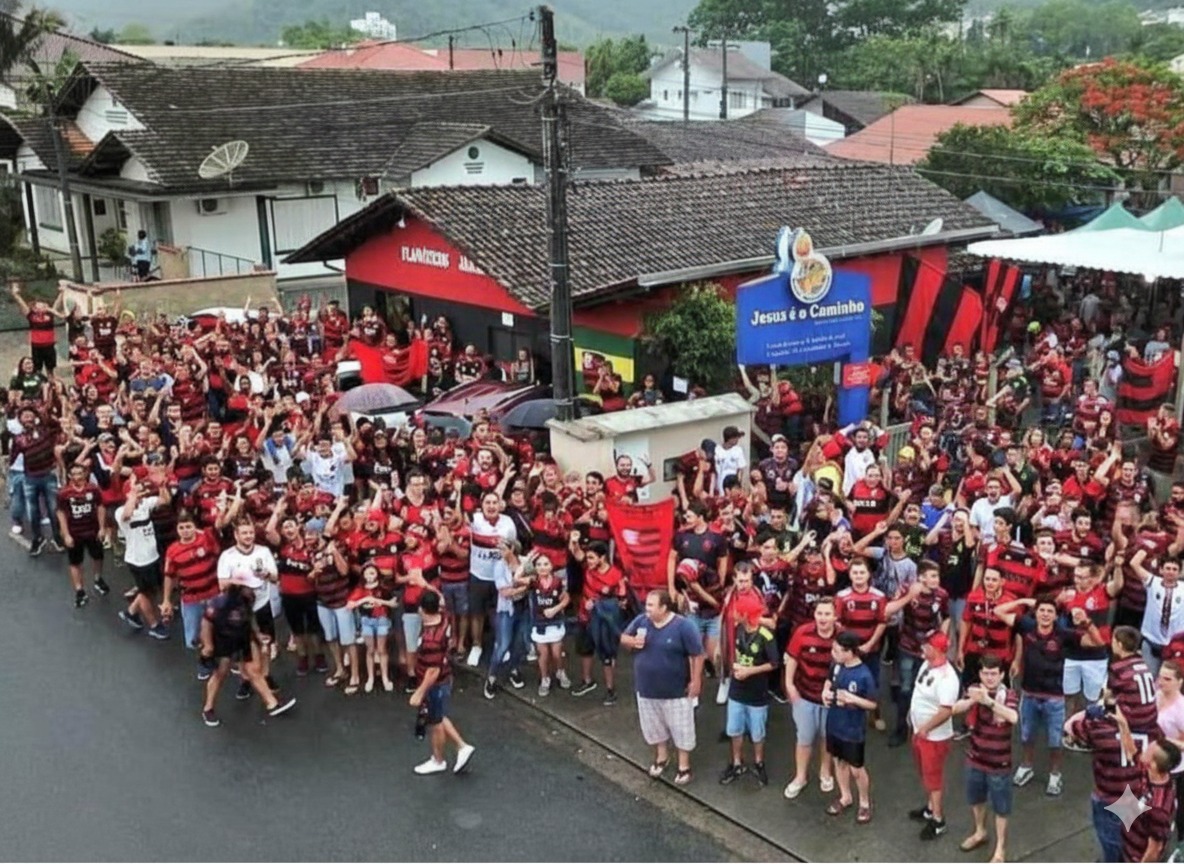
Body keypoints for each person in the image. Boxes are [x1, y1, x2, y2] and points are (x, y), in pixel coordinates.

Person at [621, 589, 705, 786]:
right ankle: (661, 757)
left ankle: (684, 766)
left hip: (676, 691)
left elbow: (697, 655)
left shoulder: (683, 626)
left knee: (681, 728)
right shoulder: (642, 621)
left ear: (664, 607)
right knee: (654, 727)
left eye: (651, 605)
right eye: (647, 604)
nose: (646, 608)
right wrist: (632, 641)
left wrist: (696, 680)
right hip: (647, 688)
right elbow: (624, 637)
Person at [197, 569, 296, 727]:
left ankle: (272, 703)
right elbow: (206, 624)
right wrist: (208, 646)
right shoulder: (219, 603)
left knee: (253, 671)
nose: (253, 589)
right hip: (223, 641)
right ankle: (208, 708)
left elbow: (249, 617)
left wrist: (257, 635)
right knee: (220, 674)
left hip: (242, 638)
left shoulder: (248, 599)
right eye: (249, 586)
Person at [952, 655, 1019, 862]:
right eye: (985, 673)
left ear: (1001, 675)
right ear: (980, 674)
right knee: (976, 799)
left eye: (994, 674)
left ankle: (1000, 849)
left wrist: (989, 701)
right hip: (975, 758)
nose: (989, 678)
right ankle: (980, 831)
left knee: (1001, 807)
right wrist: (974, 698)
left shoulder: (1009, 694)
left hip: (999, 763)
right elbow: (954, 709)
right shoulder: (973, 690)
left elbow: (1013, 717)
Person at [410, 591, 476, 775]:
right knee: (437, 715)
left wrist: (419, 692)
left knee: (436, 722)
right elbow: (440, 598)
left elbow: (433, 671)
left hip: (436, 684)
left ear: (422, 609)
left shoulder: (432, 639)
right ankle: (462, 747)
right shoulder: (445, 617)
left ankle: (438, 760)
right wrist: (423, 584)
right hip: (445, 677)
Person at [720, 591, 779, 787]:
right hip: (737, 691)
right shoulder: (737, 630)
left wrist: (750, 671)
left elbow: (774, 663)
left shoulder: (765, 635)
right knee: (734, 729)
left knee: (757, 731)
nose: (734, 614)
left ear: (746, 613)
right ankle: (736, 762)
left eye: (737, 611)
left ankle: (759, 762)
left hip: (757, 693)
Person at [784, 596, 838, 799]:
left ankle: (825, 771)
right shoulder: (802, 632)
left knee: (827, 738)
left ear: (835, 616)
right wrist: (789, 685)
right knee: (804, 739)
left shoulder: (841, 636)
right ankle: (800, 776)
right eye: (819, 613)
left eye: (827, 614)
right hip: (805, 695)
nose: (823, 618)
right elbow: (792, 658)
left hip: (829, 700)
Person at [908, 632, 960, 841]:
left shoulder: (948, 678)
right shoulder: (926, 665)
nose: (922, 648)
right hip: (920, 732)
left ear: (936, 649)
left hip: (934, 737)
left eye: (926, 645)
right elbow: (919, 692)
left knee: (933, 779)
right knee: (924, 774)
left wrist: (926, 728)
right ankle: (930, 809)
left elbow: (946, 710)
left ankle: (938, 820)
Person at [822, 630, 877, 824]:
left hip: (853, 729)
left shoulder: (864, 675)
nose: (833, 653)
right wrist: (825, 692)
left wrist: (852, 698)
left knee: (857, 769)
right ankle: (845, 796)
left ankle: (864, 802)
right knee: (839, 762)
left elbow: (872, 704)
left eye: (837, 650)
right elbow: (829, 681)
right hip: (834, 723)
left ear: (850, 652)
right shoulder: (836, 666)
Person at [115, 474, 171, 640]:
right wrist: (132, 495)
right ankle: (154, 625)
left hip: (152, 556)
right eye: (137, 493)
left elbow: (164, 501)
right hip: (138, 560)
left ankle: (131, 612)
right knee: (146, 593)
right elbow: (127, 514)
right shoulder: (121, 512)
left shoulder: (146, 504)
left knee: (150, 590)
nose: (142, 496)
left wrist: (162, 486)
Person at [56, 462, 110, 607]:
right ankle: (79, 590)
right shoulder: (64, 493)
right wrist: (66, 534)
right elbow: (60, 513)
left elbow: (100, 507)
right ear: (69, 476)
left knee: (98, 556)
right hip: (75, 532)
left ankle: (98, 578)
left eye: (81, 473)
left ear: (85, 474)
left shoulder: (93, 489)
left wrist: (102, 528)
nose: (78, 477)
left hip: (92, 530)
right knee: (75, 562)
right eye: (75, 474)